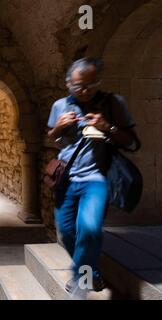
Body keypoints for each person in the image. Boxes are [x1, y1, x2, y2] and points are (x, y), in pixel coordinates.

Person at [47, 58, 138, 295]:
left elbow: (130, 141)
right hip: (66, 178)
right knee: (67, 231)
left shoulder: (113, 103)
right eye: (79, 86)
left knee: (89, 228)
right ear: (68, 83)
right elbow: (53, 138)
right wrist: (58, 128)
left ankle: (81, 283)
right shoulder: (60, 105)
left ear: (98, 82)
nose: (85, 91)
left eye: (91, 85)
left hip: (97, 178)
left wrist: (108, 127)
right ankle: (92, 272)